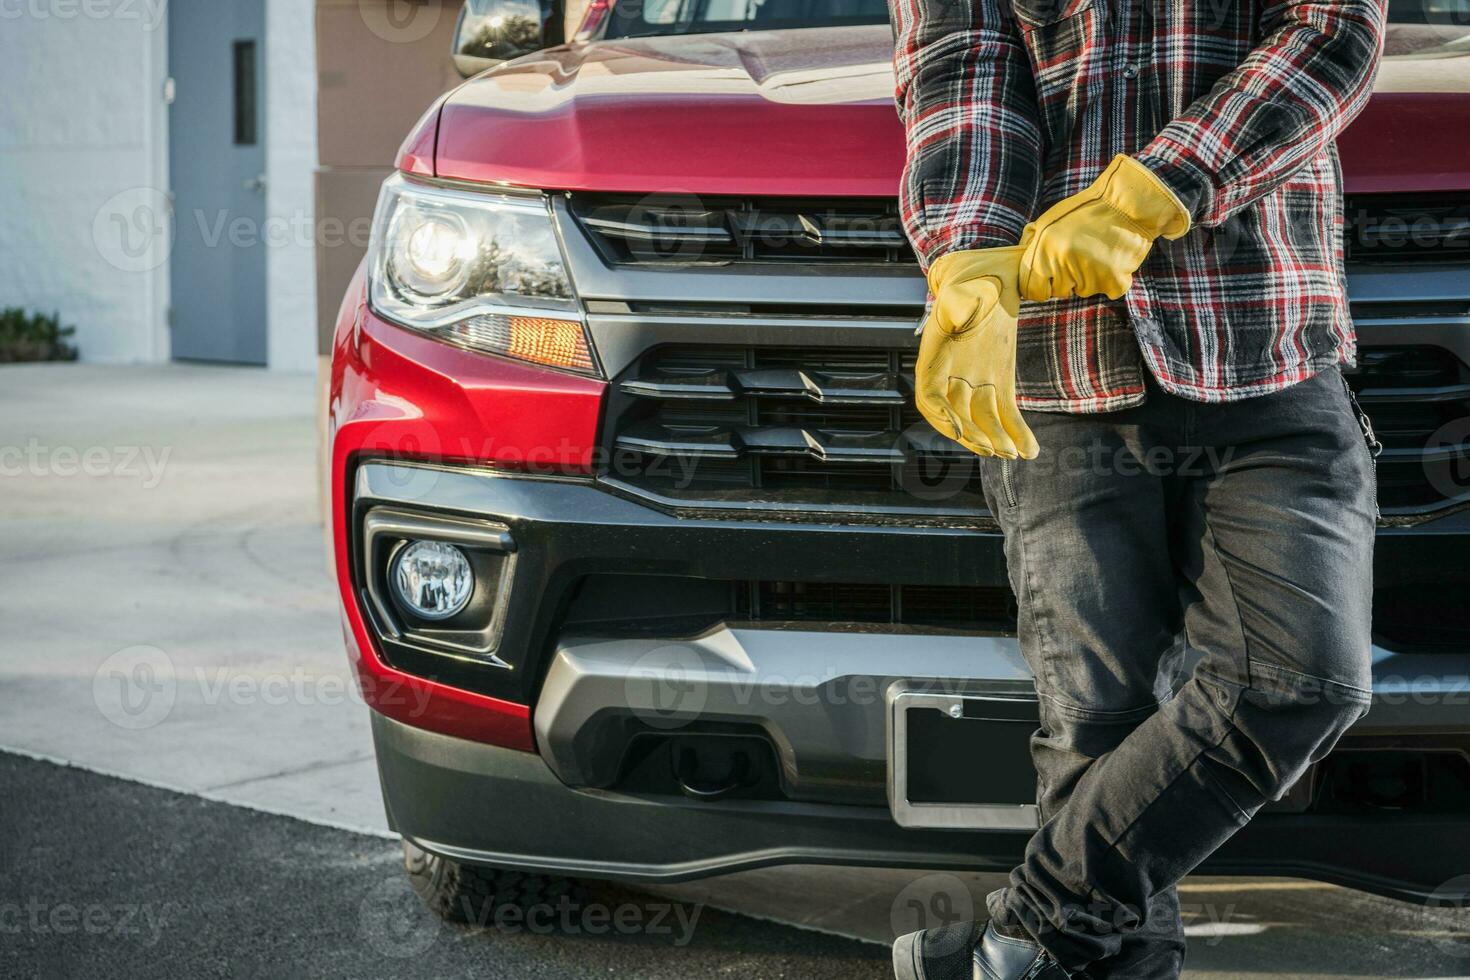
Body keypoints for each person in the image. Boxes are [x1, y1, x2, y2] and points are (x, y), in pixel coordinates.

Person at [885, 1, 1389, 977]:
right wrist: (969, 258)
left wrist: (1160, 184)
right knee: (1095, 734)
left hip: (1269, 348)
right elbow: (963, 66)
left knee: (1304, 679)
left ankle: (1021, 937)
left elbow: (1333, 31)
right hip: (1058, 368)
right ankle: (1044, 955)